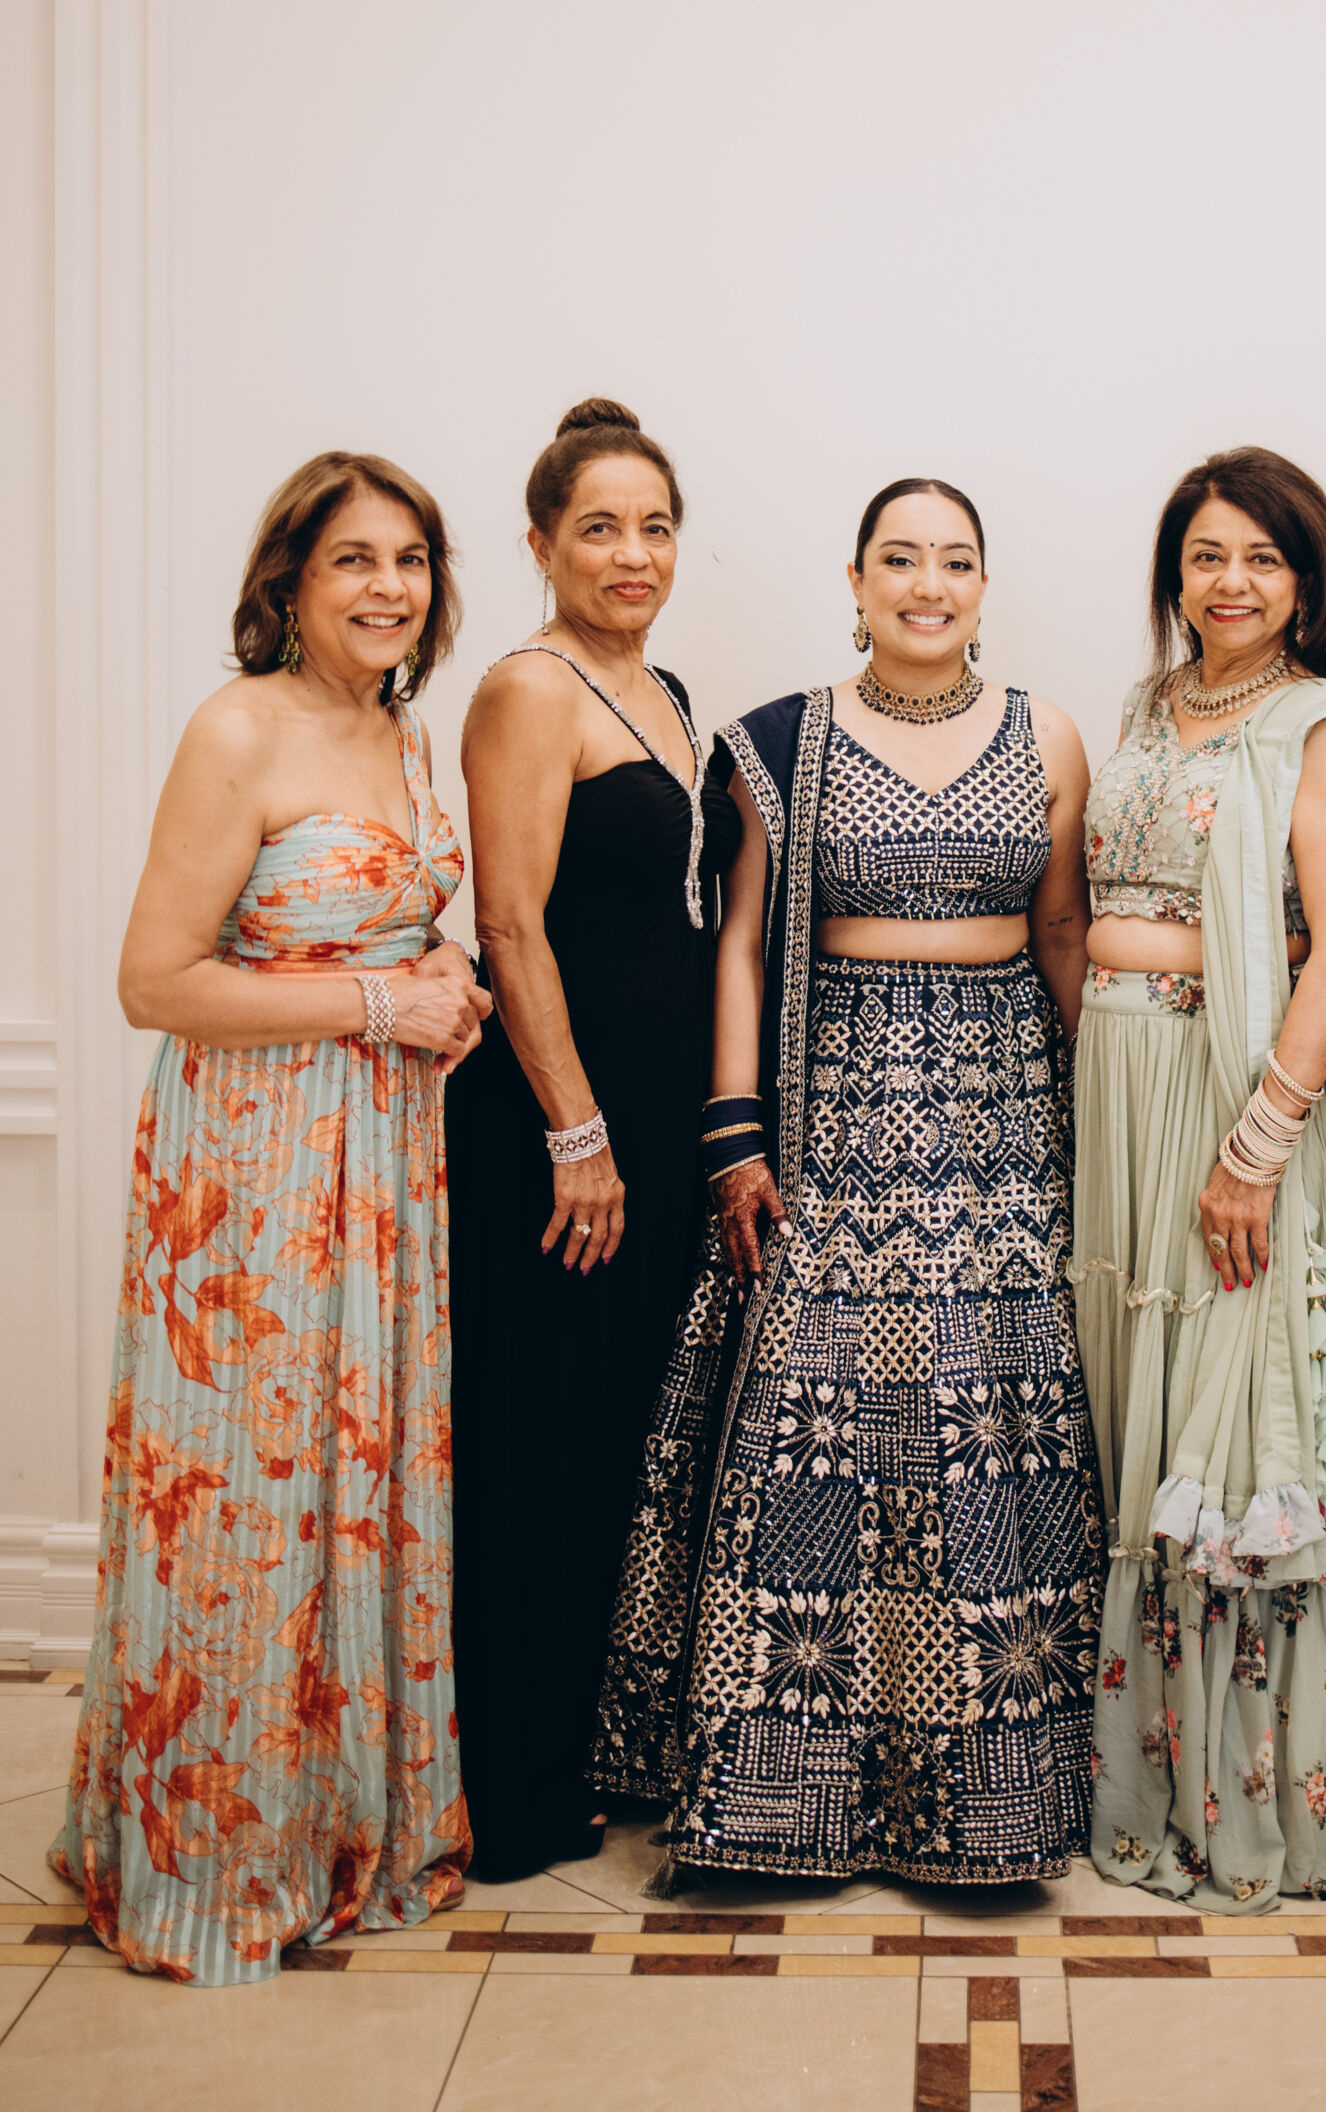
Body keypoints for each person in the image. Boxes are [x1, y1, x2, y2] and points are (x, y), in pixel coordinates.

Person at [590, 479, 1105, 1887]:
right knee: (814, 1434)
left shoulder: (1048, 734)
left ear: (984, 586)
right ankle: (777, 1805)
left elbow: (1063, 931)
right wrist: (736, 1139)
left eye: (956, 561)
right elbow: (742, 942)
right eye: (901, 559)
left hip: (1004, 1118)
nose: (928, 584)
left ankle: (991, 1806)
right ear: (858, 579)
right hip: (839, 1116)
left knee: (991, 1432)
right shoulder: (780, 739)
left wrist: (1100, 1129)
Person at [54, 456, 488, 1984]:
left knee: (358, 1485)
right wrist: (378, 1001)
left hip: (384, 1165)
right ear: (290, 580)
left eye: (410, 560)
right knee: (247, 1492)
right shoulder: (236, 729)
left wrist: (443, 984)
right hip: (252, 1180)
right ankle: (220, 1853)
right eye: (355, 559)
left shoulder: (404, 730)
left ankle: (347, 1821)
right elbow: (154, 980)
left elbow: (391, 927)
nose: (389, 587)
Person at [1074, 447, 1326, 1909]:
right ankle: (1141, 1765)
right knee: (1145, 1394)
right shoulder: (1146, 707)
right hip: (1123, 1089)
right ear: (1175, 571)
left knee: (1237, 1412)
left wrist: (1257, 1146)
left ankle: (1261, 1793)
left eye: (1263, 558)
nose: (1231, 582)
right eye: (1207, 554)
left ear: (1307, 579)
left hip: (1236, 1097)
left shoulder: (1325, 727)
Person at [445, 399, 741, 1881]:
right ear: (542, 543)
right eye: (600, 528)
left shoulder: (667, 691)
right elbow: (508, 926)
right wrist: (577, 1131)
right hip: (562, 1127)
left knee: (634, 1431)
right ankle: (517, 1777)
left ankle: (602, 1741)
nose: (634, 554)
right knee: (548, 1436)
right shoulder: (527, 688)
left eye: (656, 527)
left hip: (664, 1120)